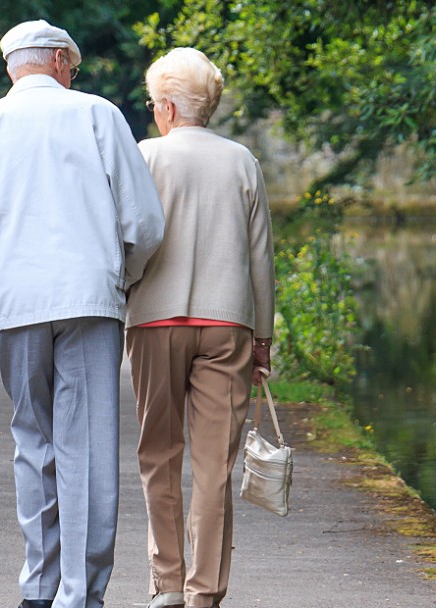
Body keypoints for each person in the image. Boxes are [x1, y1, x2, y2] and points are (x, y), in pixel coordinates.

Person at [0, 19, 165, 608]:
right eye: (72, 67)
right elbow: (145, 225)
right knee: (87, 446)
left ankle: (38, 585)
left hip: (15, 305)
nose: (73, 75)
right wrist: (122, 279)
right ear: (59, 60)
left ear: (12, 68)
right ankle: (80, 594)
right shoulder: (99, 115)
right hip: (89, 300)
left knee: (33, 439)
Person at [126, 47, 275, 608]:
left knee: (158, 455)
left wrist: (127, 291)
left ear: (166, 106)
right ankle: (205, 593)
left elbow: (129, 242)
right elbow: (261, 260)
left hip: (154, 322)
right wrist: (262, 338)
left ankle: (166, 583)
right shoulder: (242, 162)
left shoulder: (145, 157)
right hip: (227, 324)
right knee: (214, 467)